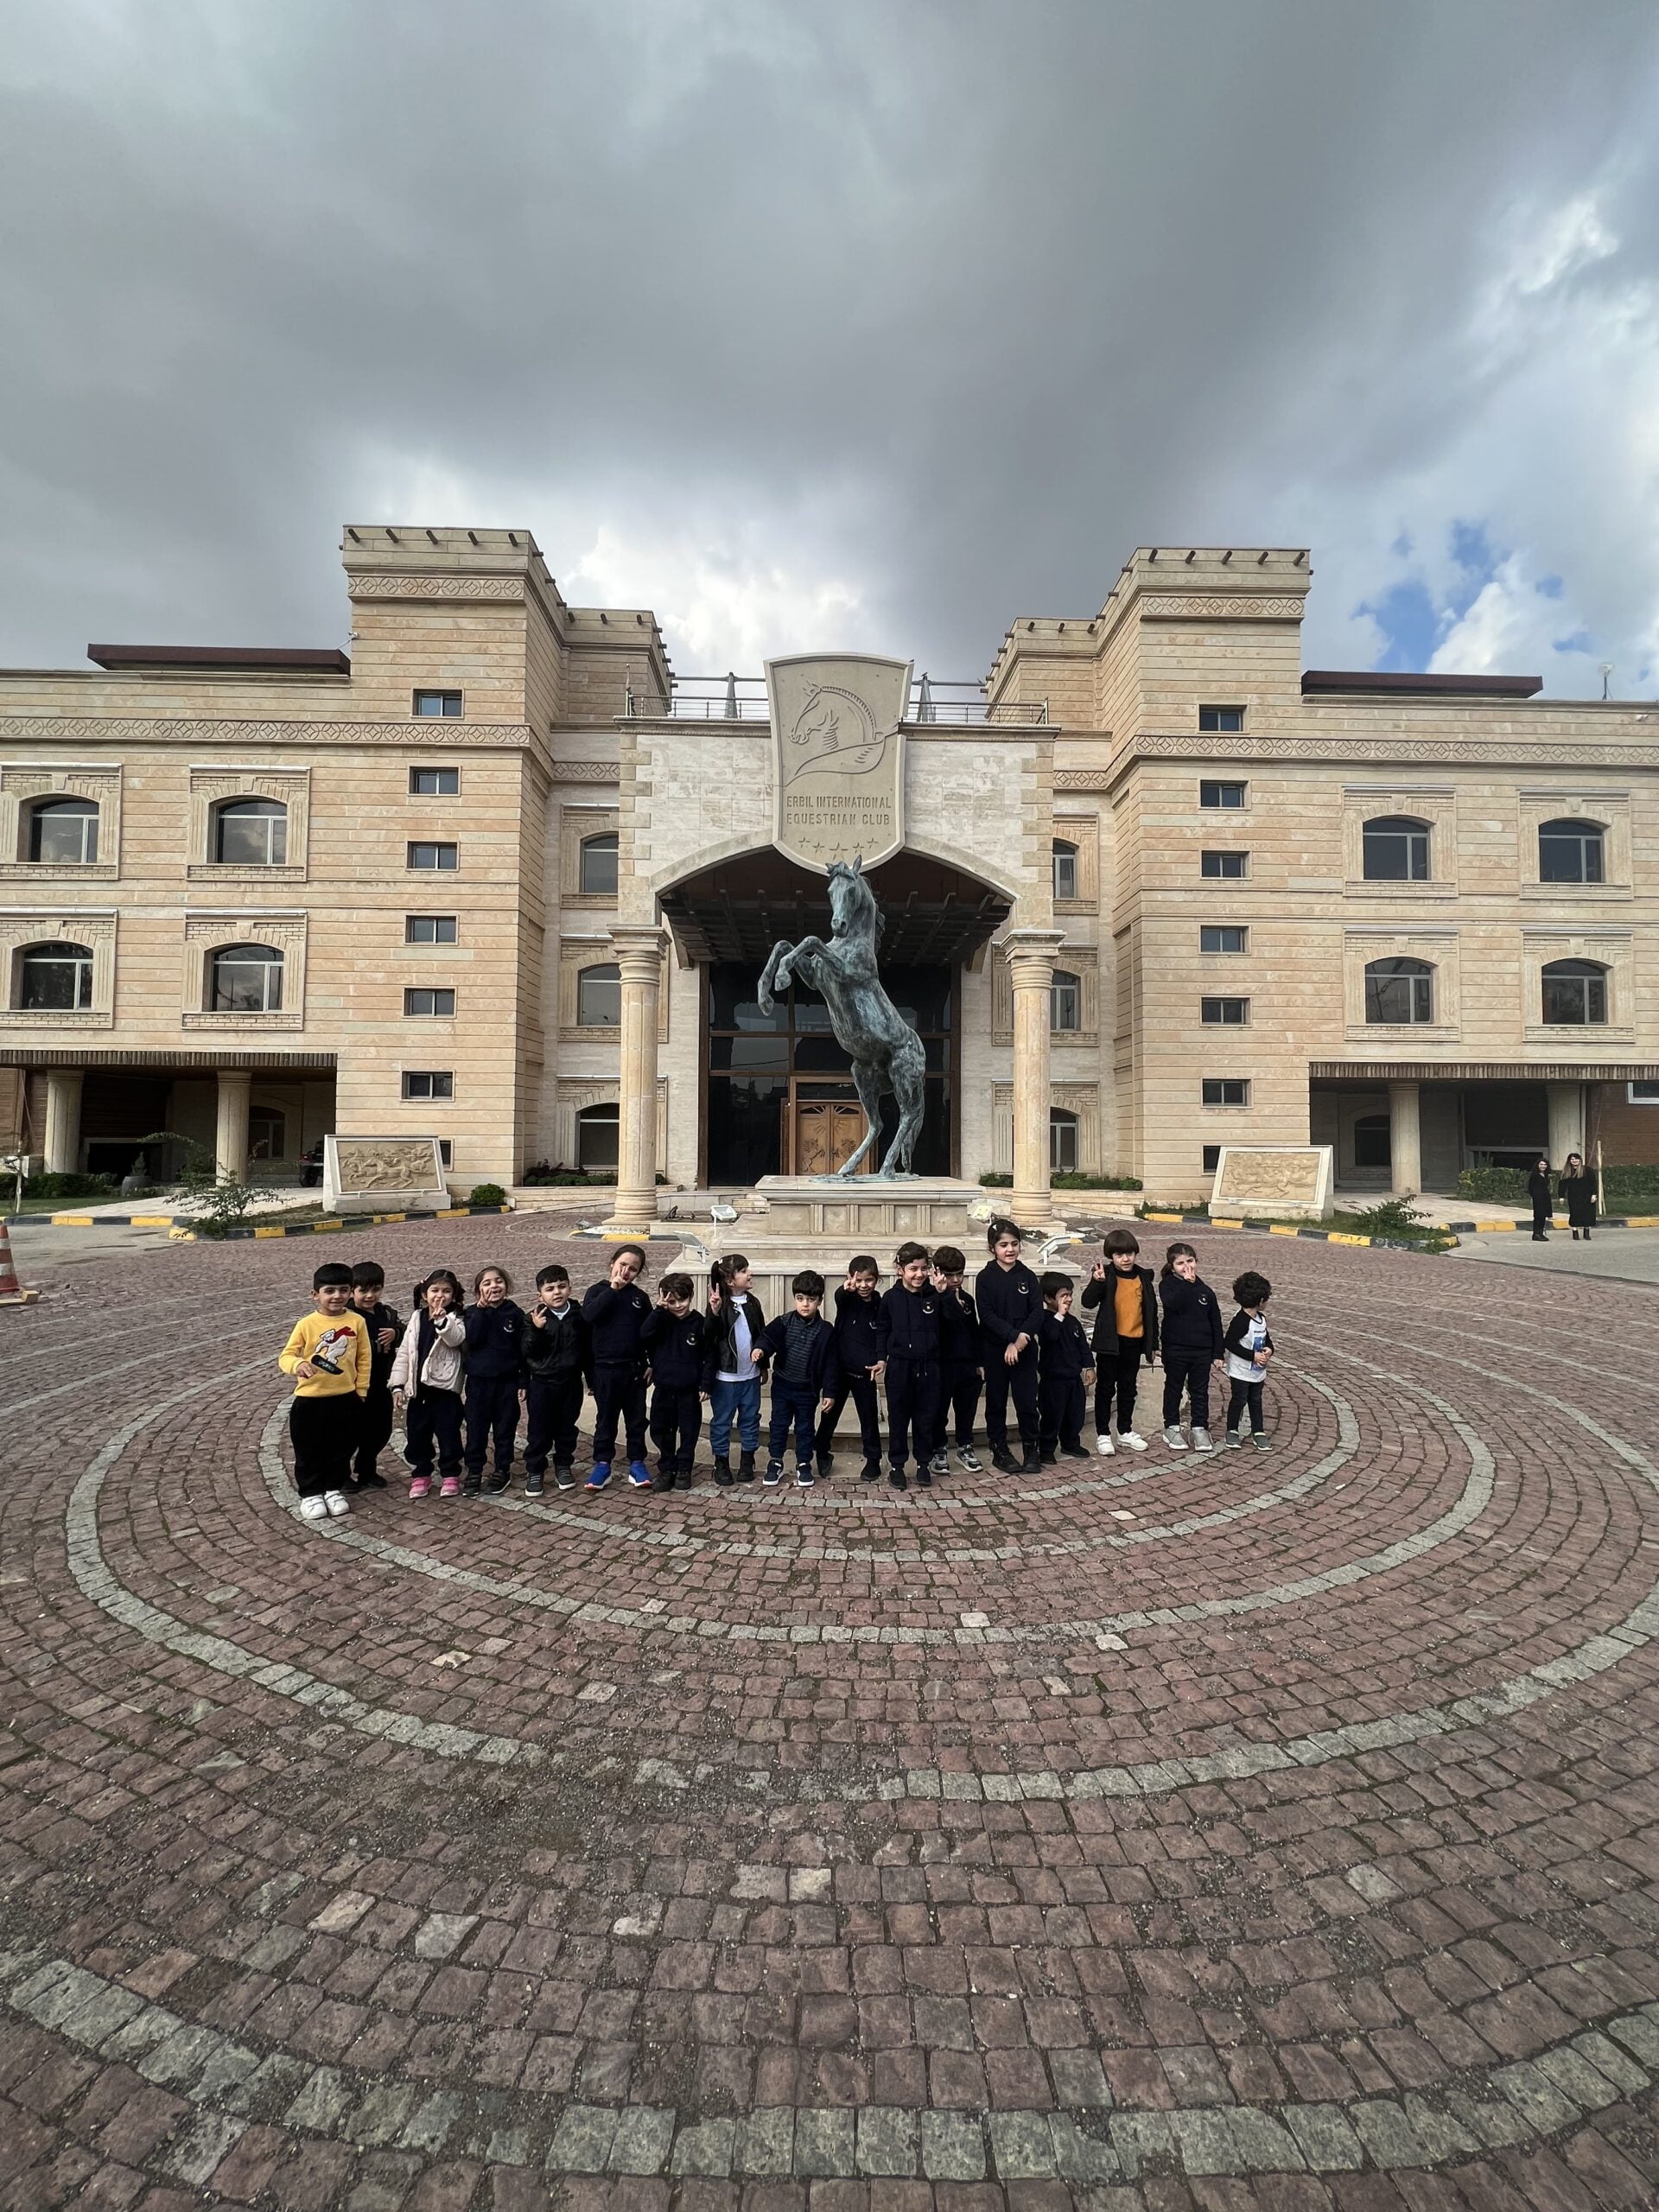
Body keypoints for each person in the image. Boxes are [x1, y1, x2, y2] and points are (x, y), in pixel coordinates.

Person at [279, 1262, 372, 1522]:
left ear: (351, 1292)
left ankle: (333, 1488)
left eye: (343, 1290)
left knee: (341, 1447)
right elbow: (286, 1356)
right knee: (309, 1449)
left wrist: (360, 1390)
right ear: (315, 1294)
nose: (336, 1296)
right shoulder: (306, 1324)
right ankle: (311, 1492)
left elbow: (364, 1358)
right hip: (310, 1400)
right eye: (329, 1290)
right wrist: (298, 1365)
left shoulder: (357, 1322)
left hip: (346, 1398)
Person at [754, 1269, 842, 1489]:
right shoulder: (784, 1322)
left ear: (820, 1301)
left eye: (811, 1300)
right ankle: (776, 1461)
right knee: (779, 1425)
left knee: (805, 1427)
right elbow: (767, 1337)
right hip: (783, 1386)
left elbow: (832, 1364)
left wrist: (829, 1392)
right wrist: (760, 1350)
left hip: (807, 1390)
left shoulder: (825, 1330)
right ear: (794, 1298)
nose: (805, 1305)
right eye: (800, 1299)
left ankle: (804, 1463)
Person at [582, 1245, 653, 1491]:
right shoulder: (597, 1291)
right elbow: (589, 1317)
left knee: (636, 1419)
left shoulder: (639, 1298)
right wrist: (612, 1290)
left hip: (633, 1371)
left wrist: (650, 1363)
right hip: (605, 1369)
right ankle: (603, 1464)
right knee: (606, 1420)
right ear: (612, 1263)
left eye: (633, 1269)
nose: (626, 1272)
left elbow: (649, 1334)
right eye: (623, 1264)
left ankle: (637, 1462)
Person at [391, 1271, 467, 1498]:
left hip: (444, 1390)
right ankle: (421, 1473)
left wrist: (443, 1321)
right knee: (417, 1435)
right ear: (425, 1294)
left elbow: (457, 1339)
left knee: (449, 1434)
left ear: (454, 1295)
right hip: (418, 1391)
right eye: (435, 1291)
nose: (440, 1296)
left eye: (446, 1291)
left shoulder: (457, 1318)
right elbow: (405, 1352)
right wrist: (397, 1385)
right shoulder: (416, 1318)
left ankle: (450, 1473)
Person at [1080, 1228, 1156, 1455]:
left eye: (1130, 1253)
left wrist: (1153, 1345)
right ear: (1111, 1257)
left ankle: (1125, 1431)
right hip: (1110, 1344)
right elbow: (1088, 1302)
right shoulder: (1107, 1275)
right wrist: (1097, 1282)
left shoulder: (1143, 1277)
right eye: (1119, 1255)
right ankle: (1103, 1434)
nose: (1125, 1259)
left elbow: (1150, 1313)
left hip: (1134, 1342)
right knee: (1105, 1389)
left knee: (1128, 1388)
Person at [976, 1217, 1043, 1475]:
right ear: (993, 1248)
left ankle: (1031, 1446)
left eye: (1014, 1243)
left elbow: (1037, 1311)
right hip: (995, 1350)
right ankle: (999, 1448)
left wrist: (1021, 1339)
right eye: (1003, 1245)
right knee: (996, 1401)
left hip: (1024, 1350)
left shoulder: (1027, 1276)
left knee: (1027, 1401)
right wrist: (1012, 1337)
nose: (1010, 1249)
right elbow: (988, 1315)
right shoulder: (985, 1278)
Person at [815, 1254, 887, 1484]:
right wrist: (846, 1289)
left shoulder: (880, 1304)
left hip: (865, 1371)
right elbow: (839, 1296)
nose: (864, 1286)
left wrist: (880, 1359)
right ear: (851, 1279)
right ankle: (821, 1451)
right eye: (859, 1281)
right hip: (839, 1369)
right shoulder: (847, 1299)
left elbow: (882, 1334)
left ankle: (873, 1460)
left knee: (868, 1419)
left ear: (877, 1280)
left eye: (869, 1280)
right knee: (829, 1414)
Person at [523, 1263, 590, 1495]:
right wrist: (537, 1330)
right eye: (550, 1288)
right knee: (539, 1429)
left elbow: (586, 1350)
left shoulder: (579, 1316)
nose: (557, 1292)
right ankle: (535, 1469)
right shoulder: (534, 1318)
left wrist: (590, 1380)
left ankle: (563, 1464)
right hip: (542, 1383)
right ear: (540, 1294)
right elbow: (528, 1351)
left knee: (566, 1427)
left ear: (570, 1289)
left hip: (570, 1382)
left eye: (561, 1286)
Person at [881, 1242, 942, 1491]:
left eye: (923, 1268)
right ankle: (897, 1465)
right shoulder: (890, 1298)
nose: (919, 1274)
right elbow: (882, 1330)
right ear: (900, 1269)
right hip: (900, 1367)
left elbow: (950, 1324)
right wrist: (880, 1358)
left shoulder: (935, 1296)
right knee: (898, 1417)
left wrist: (943, 1295)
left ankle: (923, 1464)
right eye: (913, 1269)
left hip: (929, 1366)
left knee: (925, 1417)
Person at [463, 1264, 527, 1496]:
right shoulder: (472, 1312)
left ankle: (502, 1468)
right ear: (478, 1290)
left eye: (498, 1281)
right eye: (487, 1283)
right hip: (479, 1382)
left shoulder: (515, 1314)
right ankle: (474, 1470)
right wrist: (481, 1310)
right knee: (476, 1430)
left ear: (507, 1285)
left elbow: (522, 1352)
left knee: (505, 1429)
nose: (493, 1286)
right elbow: (473, 1338)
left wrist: (522, 1381)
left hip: (507, 1382)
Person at [642, 1272, 709, 1491]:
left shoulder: (699, 1322)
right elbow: (644, 1335)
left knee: (689, 1432)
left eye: (682, 1299)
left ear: (691, 1296)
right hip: (664, 1387)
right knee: (661, 1429)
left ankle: (684, 1468)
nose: (678, 1305)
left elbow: (709, 1355)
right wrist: (659, 1310)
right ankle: (667, 1467)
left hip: (689, 1390)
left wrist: (706, 1384)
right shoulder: (661, 1320)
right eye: (672, 1301)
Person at [706, 1254, 766, 1486]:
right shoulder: (719, 1304)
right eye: (743, 1271)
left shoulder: (753, 1302)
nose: (749, 1273)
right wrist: (713, 1312)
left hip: (750, 1375)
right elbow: (710, 1337)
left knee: (750, 1419)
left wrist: (763, 1365)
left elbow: (760, 1334)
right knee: (722, 1421)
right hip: (726, 1377)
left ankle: (747, 1459)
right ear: (730, 1280)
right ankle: (720, 1461)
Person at [1157, 1242, 1224, 1452]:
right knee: (1174, 1387)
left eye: (1190, 1261)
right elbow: (1172, 1304)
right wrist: (1186, 1284)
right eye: (1180, 1263)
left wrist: (1217, 1353)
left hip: (1201, 1350)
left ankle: (1199, 1428)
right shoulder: (1168, 1285)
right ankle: (1172, 1426)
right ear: (1172, 1266)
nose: (1186, 1266)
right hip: (1176, 1348)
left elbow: (1216, 1322)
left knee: (1199, 1390)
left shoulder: (1206, 1291)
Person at [928, 1247, 983, 1476]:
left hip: (966, 1364)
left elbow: (973, 1330)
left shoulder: (967, 1299)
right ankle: (939, 1448)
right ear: (937, 1273)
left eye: (959, 1274)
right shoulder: (931, 1299)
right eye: (949, 1275)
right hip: (941, 1364)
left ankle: (965, 1445)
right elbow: (949, 1319)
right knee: (939, 1410)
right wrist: (945, 1295)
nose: (955, 1280)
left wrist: (980, 1362)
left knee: (967, 1408)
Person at [348, 1261, 400, 1490]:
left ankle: (366, 1469)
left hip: (382, 1381)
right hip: (355, 1383)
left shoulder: (387, 1314)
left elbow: (406, 1332)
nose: (370, 1296)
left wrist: (395, 1333)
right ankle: (340, 1474)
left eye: (375, 1289)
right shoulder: (347, 1316)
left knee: (381, 1429)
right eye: (363, 1291)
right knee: (351, 1431)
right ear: (352, 1291)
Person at [1037, 1271, 1094, 1465]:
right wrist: (1059, 1315)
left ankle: (1070, 1442)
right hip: (1053, 1380)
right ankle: (1046, 1449)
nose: (1068, 1299)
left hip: (1073, 1378)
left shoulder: (1073, 1322)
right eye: (1063, 1296)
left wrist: (1089, 1366)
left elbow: (1083, 1347)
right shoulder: (1045, 1320)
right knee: (1052, 1416)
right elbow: (1050, 1337)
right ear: (1048, 1298)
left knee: (1075, 1414)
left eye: (1069, 1294)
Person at [1224, 1271, 1274, 1449]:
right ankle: (1232, 1430)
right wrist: (1252, 1355)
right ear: (1260, 1301)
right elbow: (1229, 1342)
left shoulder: (1261, 1319)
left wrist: (1269, 1349)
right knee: (1239, 1399)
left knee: (1256, 1399)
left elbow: (1267, 1339)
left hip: (1258, 1372)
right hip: (1241, 1371)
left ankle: (1258, 1431)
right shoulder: (1241, 1321)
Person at [1561, 1152, 1599, 1241]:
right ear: (1569, 1161)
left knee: (1588, 1214)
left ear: (1580, 1160)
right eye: (1572, 1159)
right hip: (1574, 1197)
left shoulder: (1588, 1170)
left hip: (1587, 1196)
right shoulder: (1567, 1171)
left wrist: (1594, 1194)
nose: (1574, 1161)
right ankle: (1575, 1233)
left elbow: (1593, 1183)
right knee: (1575, 1214)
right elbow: (1562, 1184)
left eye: (1576, 1159)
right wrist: (1561, 1196)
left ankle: (1586, 1233)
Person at [1528, 1155, 1553, 1242]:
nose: (1543, 1166)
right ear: (1538, 1165)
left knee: (1543, 1216)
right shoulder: (1535, 1175)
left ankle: (1541, 1233)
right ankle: (1536, 1234)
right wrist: (1535, 1196)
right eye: (1541, 1164)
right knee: (1538, 1215)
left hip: (1545, 1197)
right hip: (1538, 1197)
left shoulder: (1545, 1175)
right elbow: (1530, 1187)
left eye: (1545, 1164)